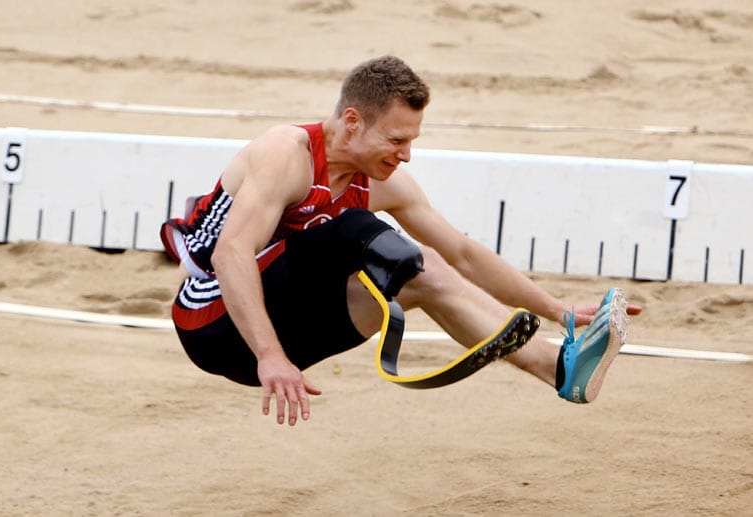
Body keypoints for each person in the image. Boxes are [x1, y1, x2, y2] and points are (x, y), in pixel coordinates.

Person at [160, 55, 641, 426]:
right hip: (214, 324)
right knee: (357, 233)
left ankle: (560, 368)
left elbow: (464, 254)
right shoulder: (286, 155)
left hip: (284, 326)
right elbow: (230, 253)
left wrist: (555, 308)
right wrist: (270, 356)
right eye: (396, 140)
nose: (406, 155)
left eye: (412, 141)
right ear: (352, 121)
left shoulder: (382, 179)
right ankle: (546, 354)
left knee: (418, 271)